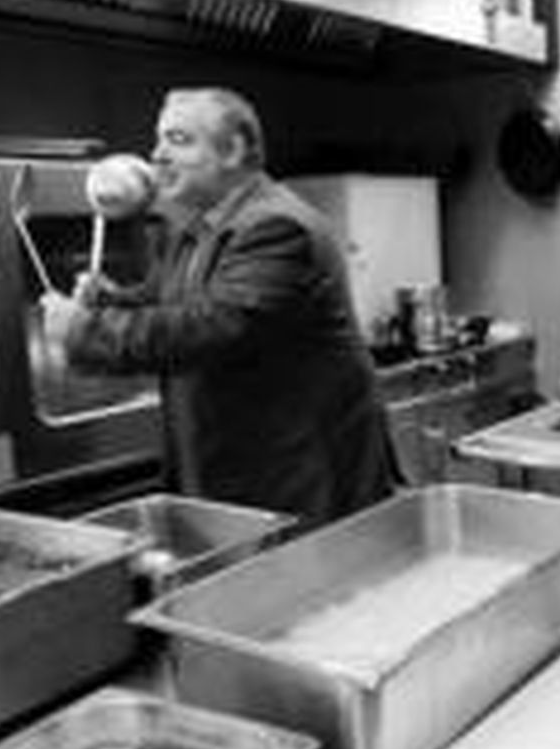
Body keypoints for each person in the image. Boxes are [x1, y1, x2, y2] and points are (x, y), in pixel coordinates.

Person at [42, 87, 393, 527]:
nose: (157, 155)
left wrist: (83, 331)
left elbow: (216, 326)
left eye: (179, 140)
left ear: (234, 150)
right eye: (159, 141)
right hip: (238, 461)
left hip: (297, 472)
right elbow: (169, 303)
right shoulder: (196, 228)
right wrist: (111, 299)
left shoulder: (275, 226)